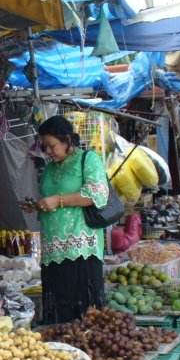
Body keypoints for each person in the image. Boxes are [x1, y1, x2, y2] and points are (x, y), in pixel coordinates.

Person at [26, 115, 110, 324]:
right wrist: (38, 205)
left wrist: (58, 200)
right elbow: (51, 200)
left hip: (81, 250)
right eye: (44, 147)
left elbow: (97, 195)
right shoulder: (50, 168)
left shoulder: (88, 159)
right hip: (53, 251)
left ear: (67, 140)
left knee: (84, 314)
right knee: (59, 315)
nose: (47, 152)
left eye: (51, 146)